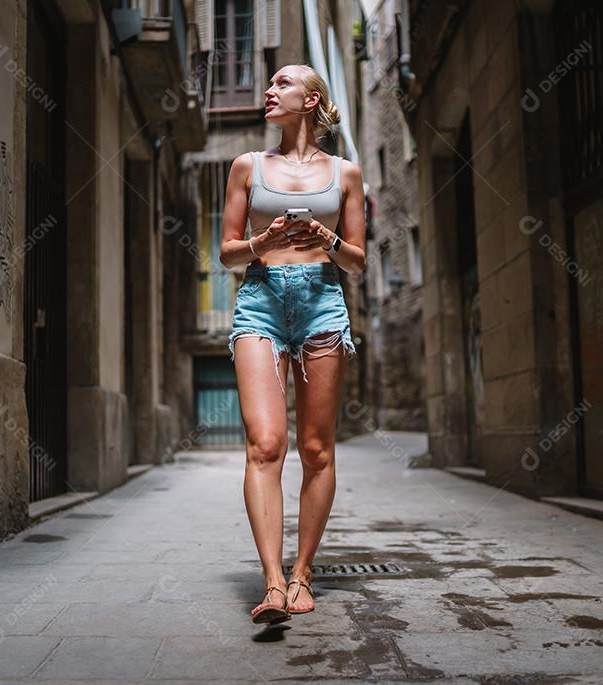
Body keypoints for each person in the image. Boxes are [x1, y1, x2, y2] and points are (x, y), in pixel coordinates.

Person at [218, 64, 366, 624]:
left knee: (317, 449)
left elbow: (357, 262)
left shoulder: (344, 173)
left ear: (312, 99)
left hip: (323, 303)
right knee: (265, 443)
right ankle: (273, 582)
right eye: (269, 85)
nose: (269, 91)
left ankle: (304, 573)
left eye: (282, 83)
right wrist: (265, 239)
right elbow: (227, 254)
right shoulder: (246, 167)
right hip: (260, 301)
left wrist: (325, 237)